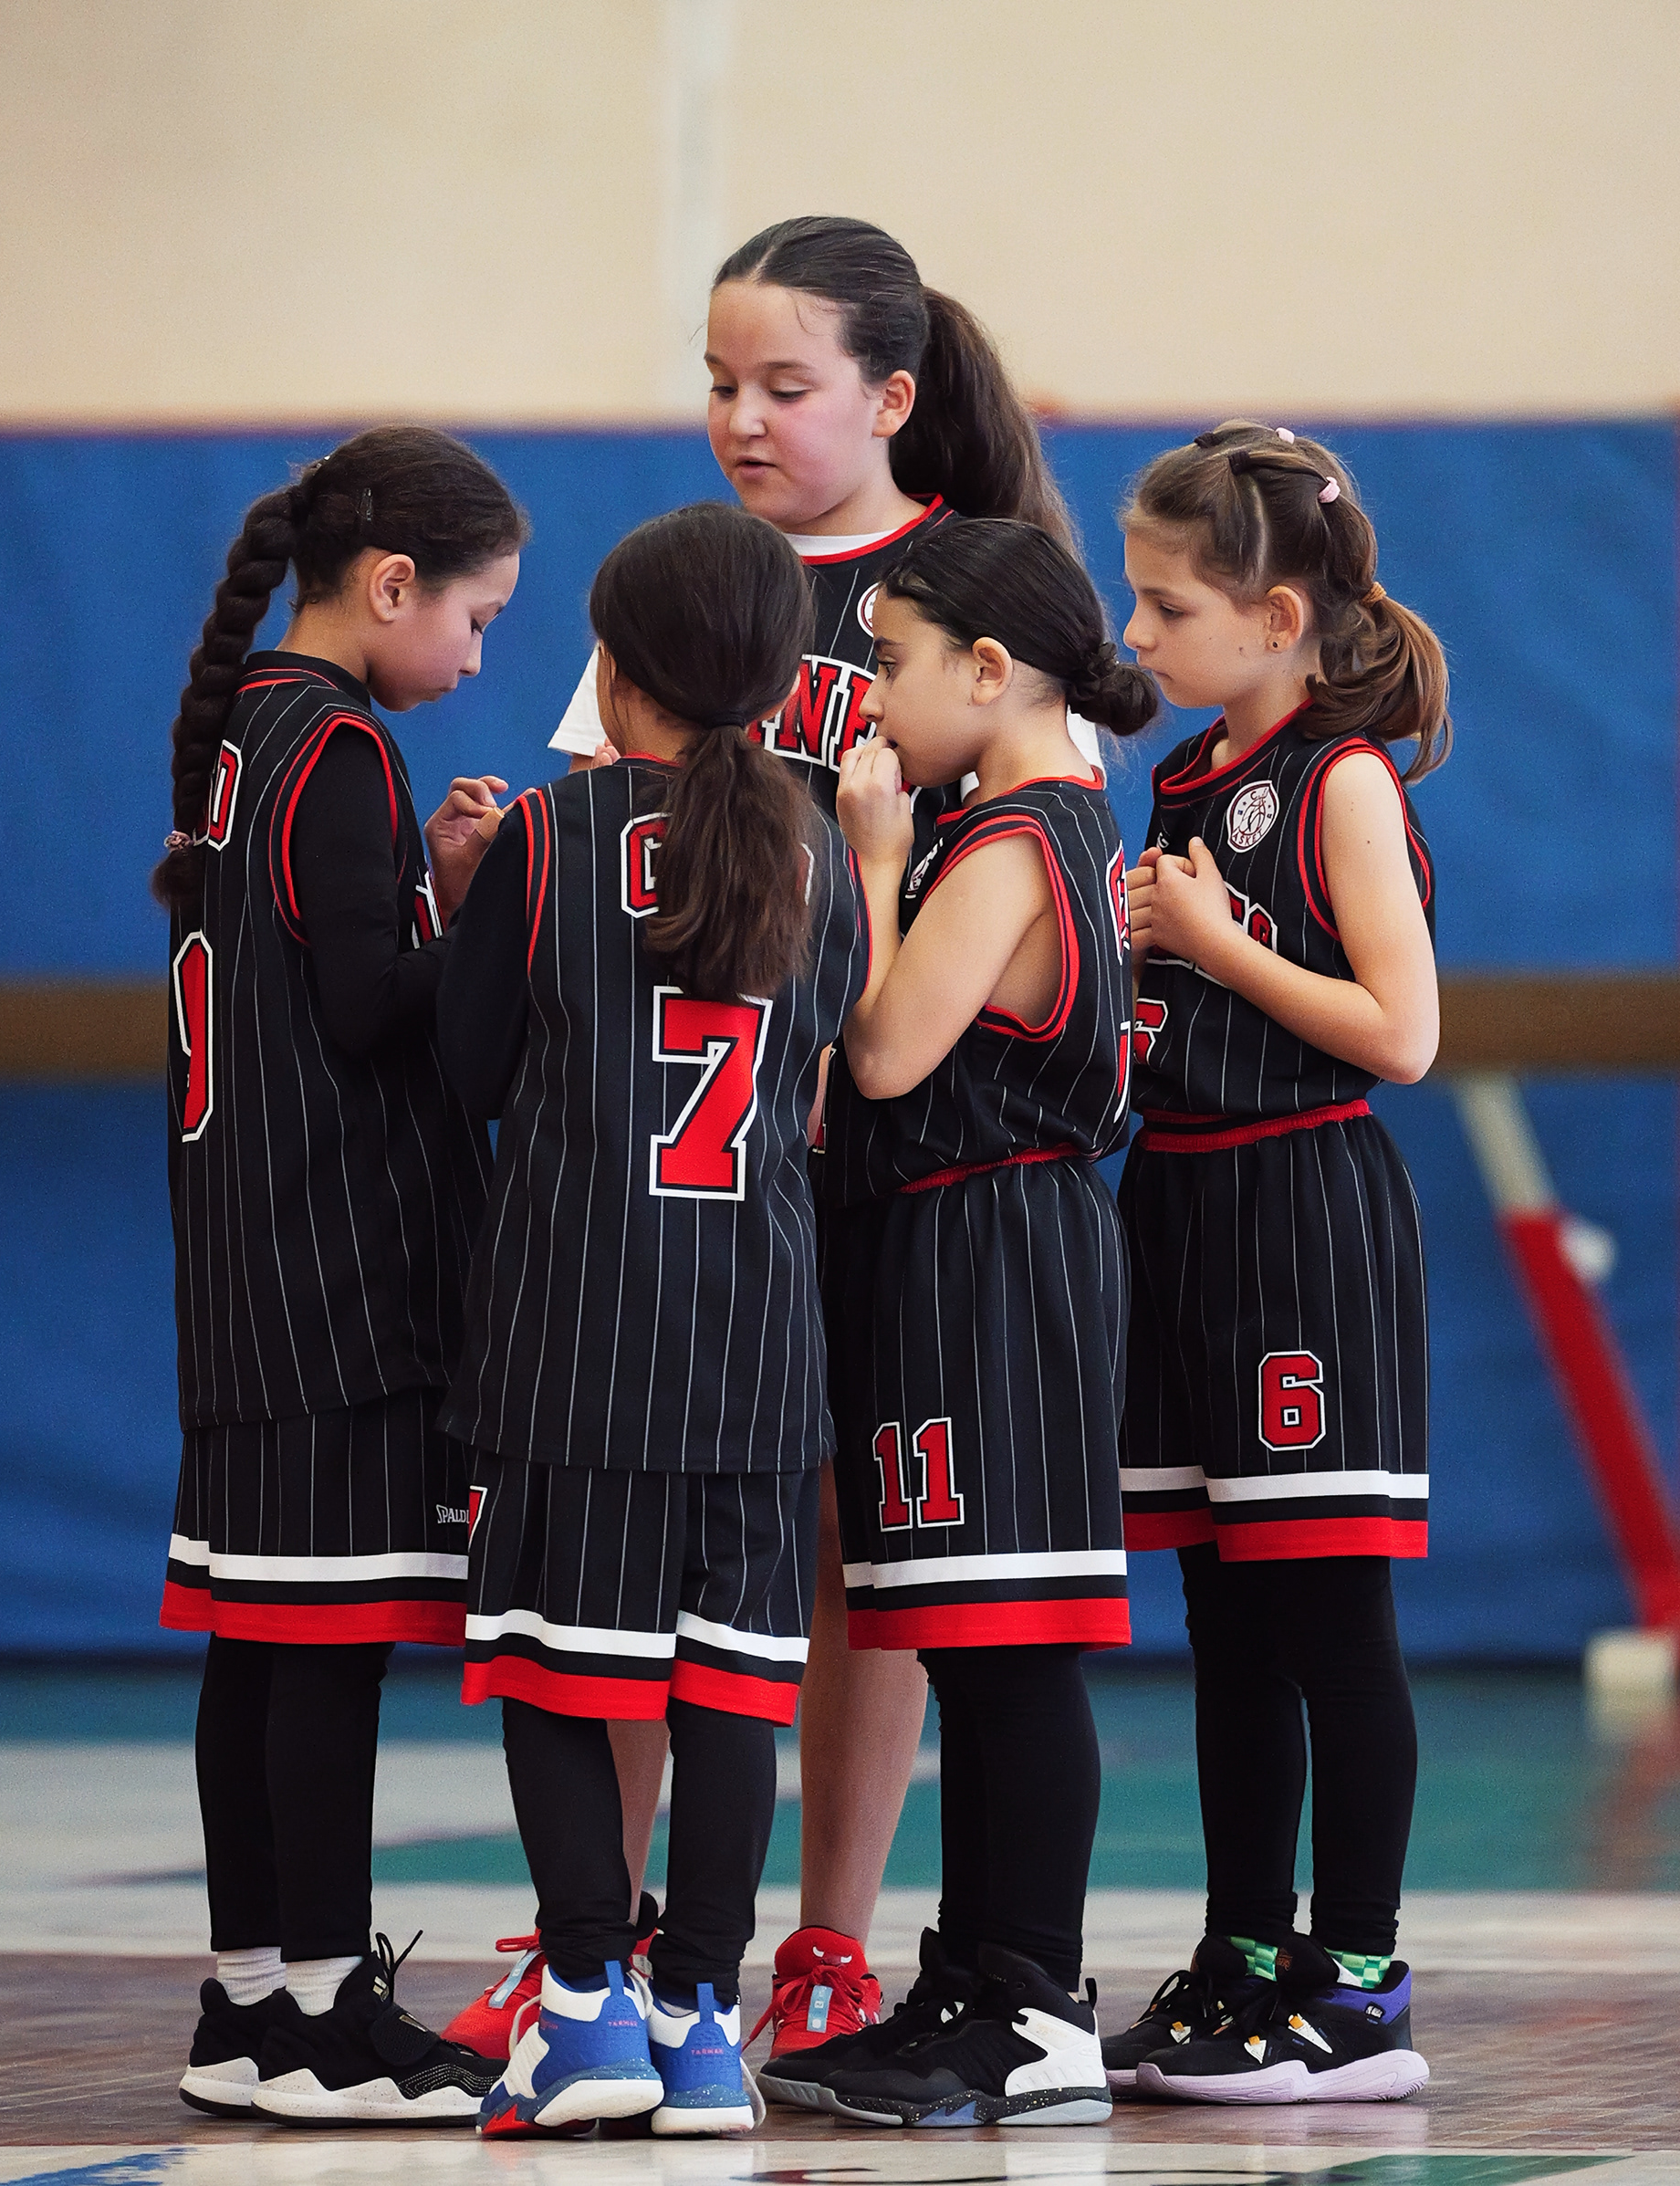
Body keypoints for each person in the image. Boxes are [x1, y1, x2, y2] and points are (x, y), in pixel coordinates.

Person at [447, 211, 1092, 2073]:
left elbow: (1041, 818)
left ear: (888, 397)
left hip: (891, 1131)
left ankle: (824, 1944)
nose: (741, 415)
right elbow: (594, 835)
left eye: (782, 385)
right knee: (629, 1549)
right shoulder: (690, 582)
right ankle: (602, 1933)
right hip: (678, 1160)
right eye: (720, 380)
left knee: (849, 1546)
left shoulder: (967, 585)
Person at [434, 502, 871, 2137]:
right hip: (757, 1342)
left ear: (617, 674)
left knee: (561, 1676)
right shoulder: (819, 853)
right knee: (734, 1688)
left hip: (574, 1334)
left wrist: (465, 897)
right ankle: (700, 2024)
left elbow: (471, 1071)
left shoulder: (552, 836)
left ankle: (581, 2010)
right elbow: (819, 1073)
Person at [157, 425, 526, 2125]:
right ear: (390, 586)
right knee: (327, 1646)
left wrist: (423, 892)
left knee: (257, 1640)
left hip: (244, 1261)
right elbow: (374, 1015)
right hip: (338, 1272)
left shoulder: (250, 729)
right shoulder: (346, 749)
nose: (479, 654)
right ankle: (321, 2013)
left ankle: (249, 2005)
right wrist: (492, 911)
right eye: (475, 616)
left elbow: (326, 976)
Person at [773, 517, 1157, 2128]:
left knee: (1012, 1649)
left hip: (996, 1252)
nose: (870, 697)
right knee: (965, 1634)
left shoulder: (1010, 840)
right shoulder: (1015, 824)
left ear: (989, 671)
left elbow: (883, 1052)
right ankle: (978, 1977)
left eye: (892, 663)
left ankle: (1037, 2000)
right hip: (947, 1246)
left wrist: (868, 854)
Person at [1101, 421, 1446, 2104]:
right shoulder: (1183, 778)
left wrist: (1220, 945)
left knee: (1328, 1615)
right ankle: (1246, 1951)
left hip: (1303, 1213)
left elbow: (1403, 1032)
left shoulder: (1341, 778)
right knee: (1224, 1619)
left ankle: (1362, 1979)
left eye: (1167, 608)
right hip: (1178, 1211)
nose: (1139, 635)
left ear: (1278, 616)